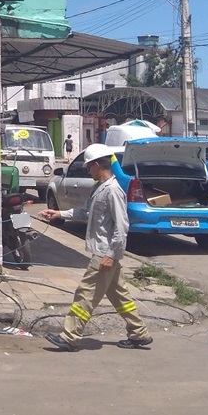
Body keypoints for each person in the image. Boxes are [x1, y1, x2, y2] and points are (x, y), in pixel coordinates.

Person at [38, 143, 152, 351]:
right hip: (104, 252)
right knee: (119, 294)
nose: (87, 170)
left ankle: (70, 336)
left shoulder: (113, 191)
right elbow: (84, 212)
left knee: (85, 293)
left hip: (104, 254)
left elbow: (122, 225)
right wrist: (58, 214)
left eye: (89, 166)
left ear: (98, 165)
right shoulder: (98, 188)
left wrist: (111, 254)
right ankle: (139, 333)